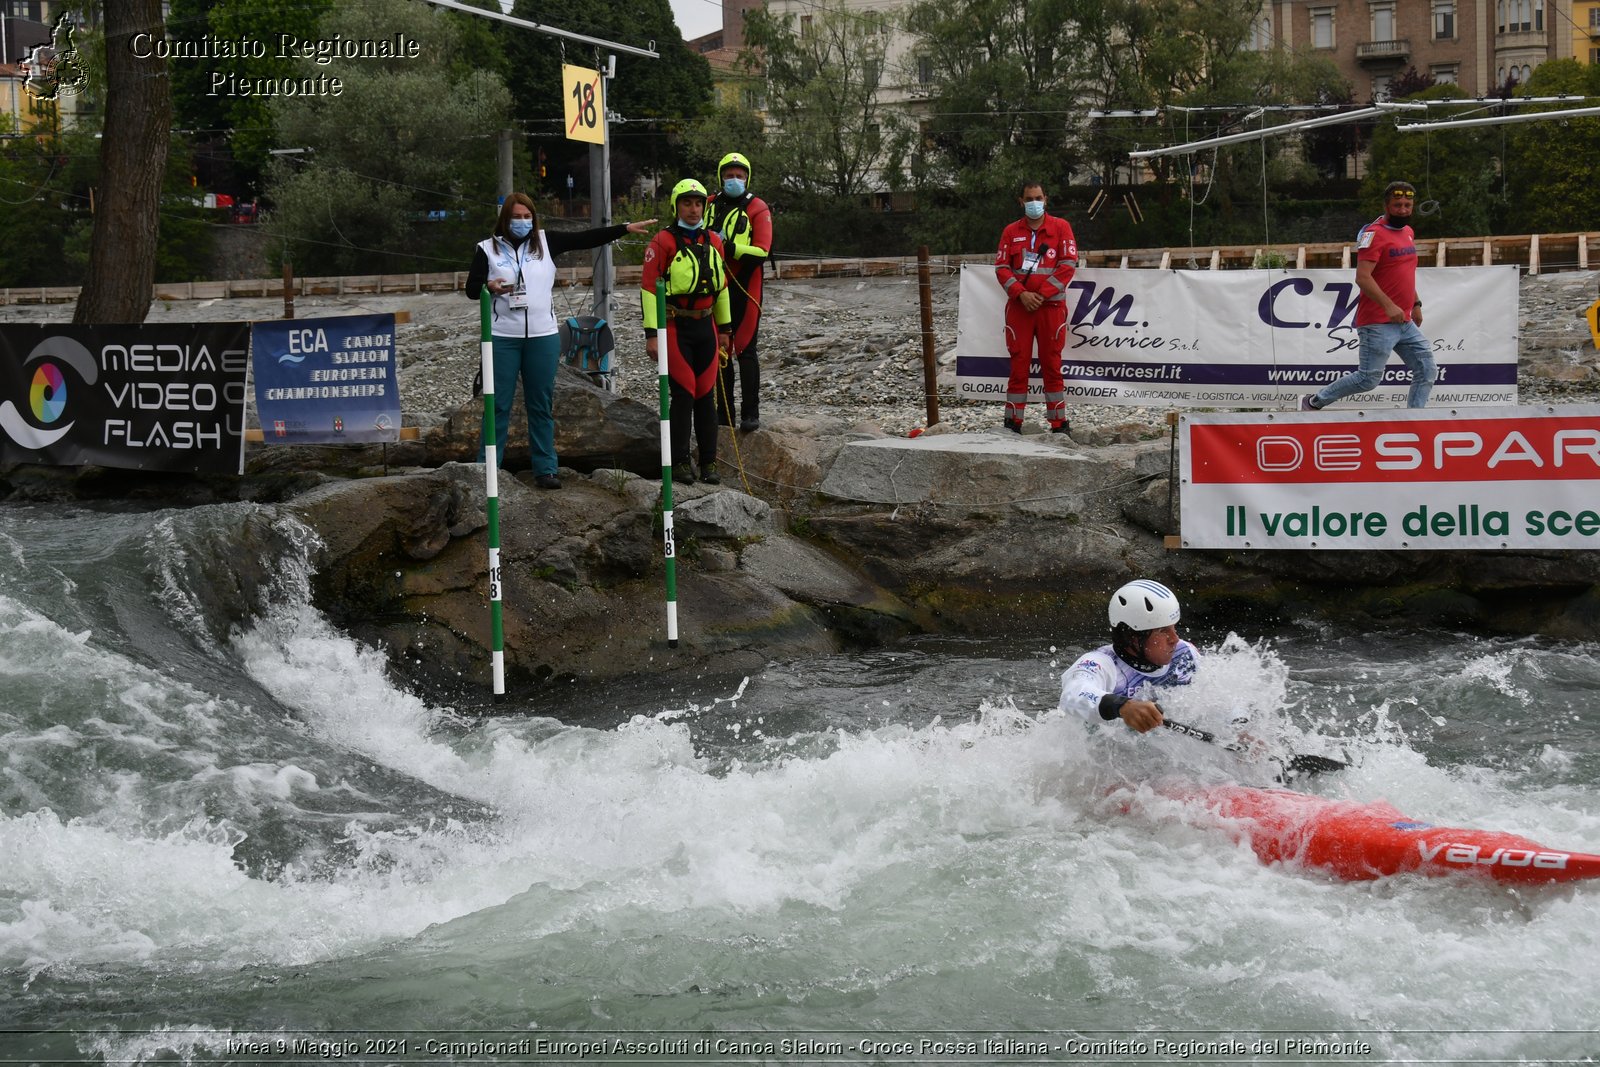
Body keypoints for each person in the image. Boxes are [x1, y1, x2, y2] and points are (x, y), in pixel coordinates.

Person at [465, 193, 655, 488]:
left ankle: (546, 468)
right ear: (505, 218)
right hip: (502, 338)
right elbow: (471, 289)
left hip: (543, 336)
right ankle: (486, 469)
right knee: (497, 404)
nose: (523, 222)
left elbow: (585, 238)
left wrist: (623, 228)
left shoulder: (545, 241)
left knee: (540, 403)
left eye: (528, 216)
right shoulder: (487, 249)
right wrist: (489, 286)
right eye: (517, 217)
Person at [1302, 180, 1434, 412]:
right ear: (1386, 205)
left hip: (1404, 321)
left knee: (1427, 370)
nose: (1403, 210)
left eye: (1407, 205)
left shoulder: (1408, 232)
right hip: (1377, 322)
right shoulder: (1373, 234)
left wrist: (1416, 303)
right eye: (1397, 205)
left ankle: (1416, 418)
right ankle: (1314, 402)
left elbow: (1403, 273)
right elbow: (1363, 277)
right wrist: (1389, 306)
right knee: (1368, 379)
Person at [641, 178, 733, 485]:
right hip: (674, 326)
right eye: (687, 203)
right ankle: (679, 461)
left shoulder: (714, 242)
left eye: (698, 204)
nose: (693, 210)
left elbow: (721, 289)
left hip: (705, 326)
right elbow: (649, 290)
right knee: (684, 394)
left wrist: (725, 329)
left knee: (707, 396)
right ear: (676, 206)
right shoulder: (662, 241)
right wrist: (651, 334)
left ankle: (708, 463)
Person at [1058, 579, 1199, 733]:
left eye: (1174, 628)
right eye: (1162, 631)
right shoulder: (1100, 663)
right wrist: (1123, 706)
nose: (1174, 639)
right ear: (1133, 636)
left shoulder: (1184, 653)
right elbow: (1072, 695)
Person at [994, 181, 1079, 435]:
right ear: (1021, 201)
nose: (1034, 202)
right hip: (1020, 309)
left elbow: (1068, 265)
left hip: (1051, 308)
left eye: (1038, 197)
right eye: (1029, 198)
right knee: (1018, 366)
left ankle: (1059, 424)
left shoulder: (1061, 228)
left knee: (1051, 364)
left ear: (1046, 199)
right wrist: (1022, 294)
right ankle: (1012, 423)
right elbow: (1001, 268)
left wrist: (1040, 295)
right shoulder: (1010, 231)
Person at [705, 151, 773, 434]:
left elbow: (761, 251)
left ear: (747, 177)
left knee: (745, 348)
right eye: (729, 175)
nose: (734, 180)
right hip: (715, 284)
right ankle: (725, 413)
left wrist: (729, 247)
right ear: (721, 176)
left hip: (746, 284)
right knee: (721, 349)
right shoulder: (708, 204)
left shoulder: (758, 208)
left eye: (739, 175)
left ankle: (750, 413)